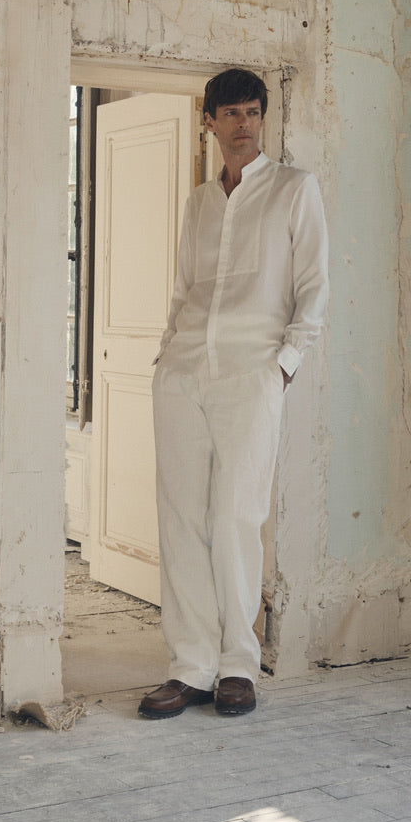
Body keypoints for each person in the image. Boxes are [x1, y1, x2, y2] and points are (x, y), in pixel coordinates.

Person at [139, 68, 329, 720]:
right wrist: (168, 355)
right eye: (231, 114)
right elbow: (183, 289)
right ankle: (189, 667)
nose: (244, 125)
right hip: (185, 373)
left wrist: (284, 365)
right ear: (210, 121)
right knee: (183, 520)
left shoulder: (294, 190)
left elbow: (314, 287)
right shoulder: (199, 202)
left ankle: (237, 666)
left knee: (235, 518)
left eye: (253, 112)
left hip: (252, 373)